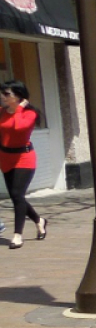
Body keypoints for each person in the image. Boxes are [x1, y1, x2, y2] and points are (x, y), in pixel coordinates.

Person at [1, 82, 48, 249]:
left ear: (18, 96)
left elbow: (19, 128)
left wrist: (19, 109)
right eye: (2, 93)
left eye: (7, 94)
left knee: (16, 194)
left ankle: (17, 235)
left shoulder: (29, 114)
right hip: (5, 157)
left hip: (24, 157)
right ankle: (39, 221)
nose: (3, 97)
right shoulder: (1, 112)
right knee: (16, 196)